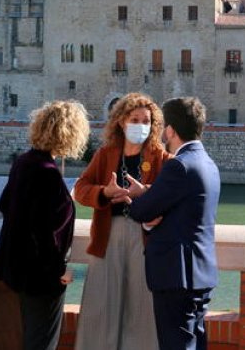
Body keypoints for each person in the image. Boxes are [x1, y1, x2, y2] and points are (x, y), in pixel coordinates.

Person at [71, 93, 171, 350]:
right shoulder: (105, 154)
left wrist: (147, 191)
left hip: (145, 237)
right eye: (134, 119)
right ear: (121, 122)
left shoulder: (162, 158)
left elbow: (177, 193)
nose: (141, 125)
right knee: (101, 303)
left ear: (154, 124)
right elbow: (81, 188)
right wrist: (104, 192)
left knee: (142, 305)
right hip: (108, 235)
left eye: (146, 120)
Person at [0, 100, 90, 350]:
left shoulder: (23, 163)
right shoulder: (47, 173)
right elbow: (46, 234)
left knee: (29, 337)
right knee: (43, 341)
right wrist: (60, 271)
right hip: (40, 278)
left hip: (16, 270)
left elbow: (5, 204)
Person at [126, 97, 220, 350]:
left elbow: (141, 211)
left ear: (170, 130)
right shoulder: (208, 164)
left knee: (176, 345)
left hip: (177, 276)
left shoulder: (179, 165)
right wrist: (148, 195)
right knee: (195, 343)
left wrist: (135, 197)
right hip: (200, 273)